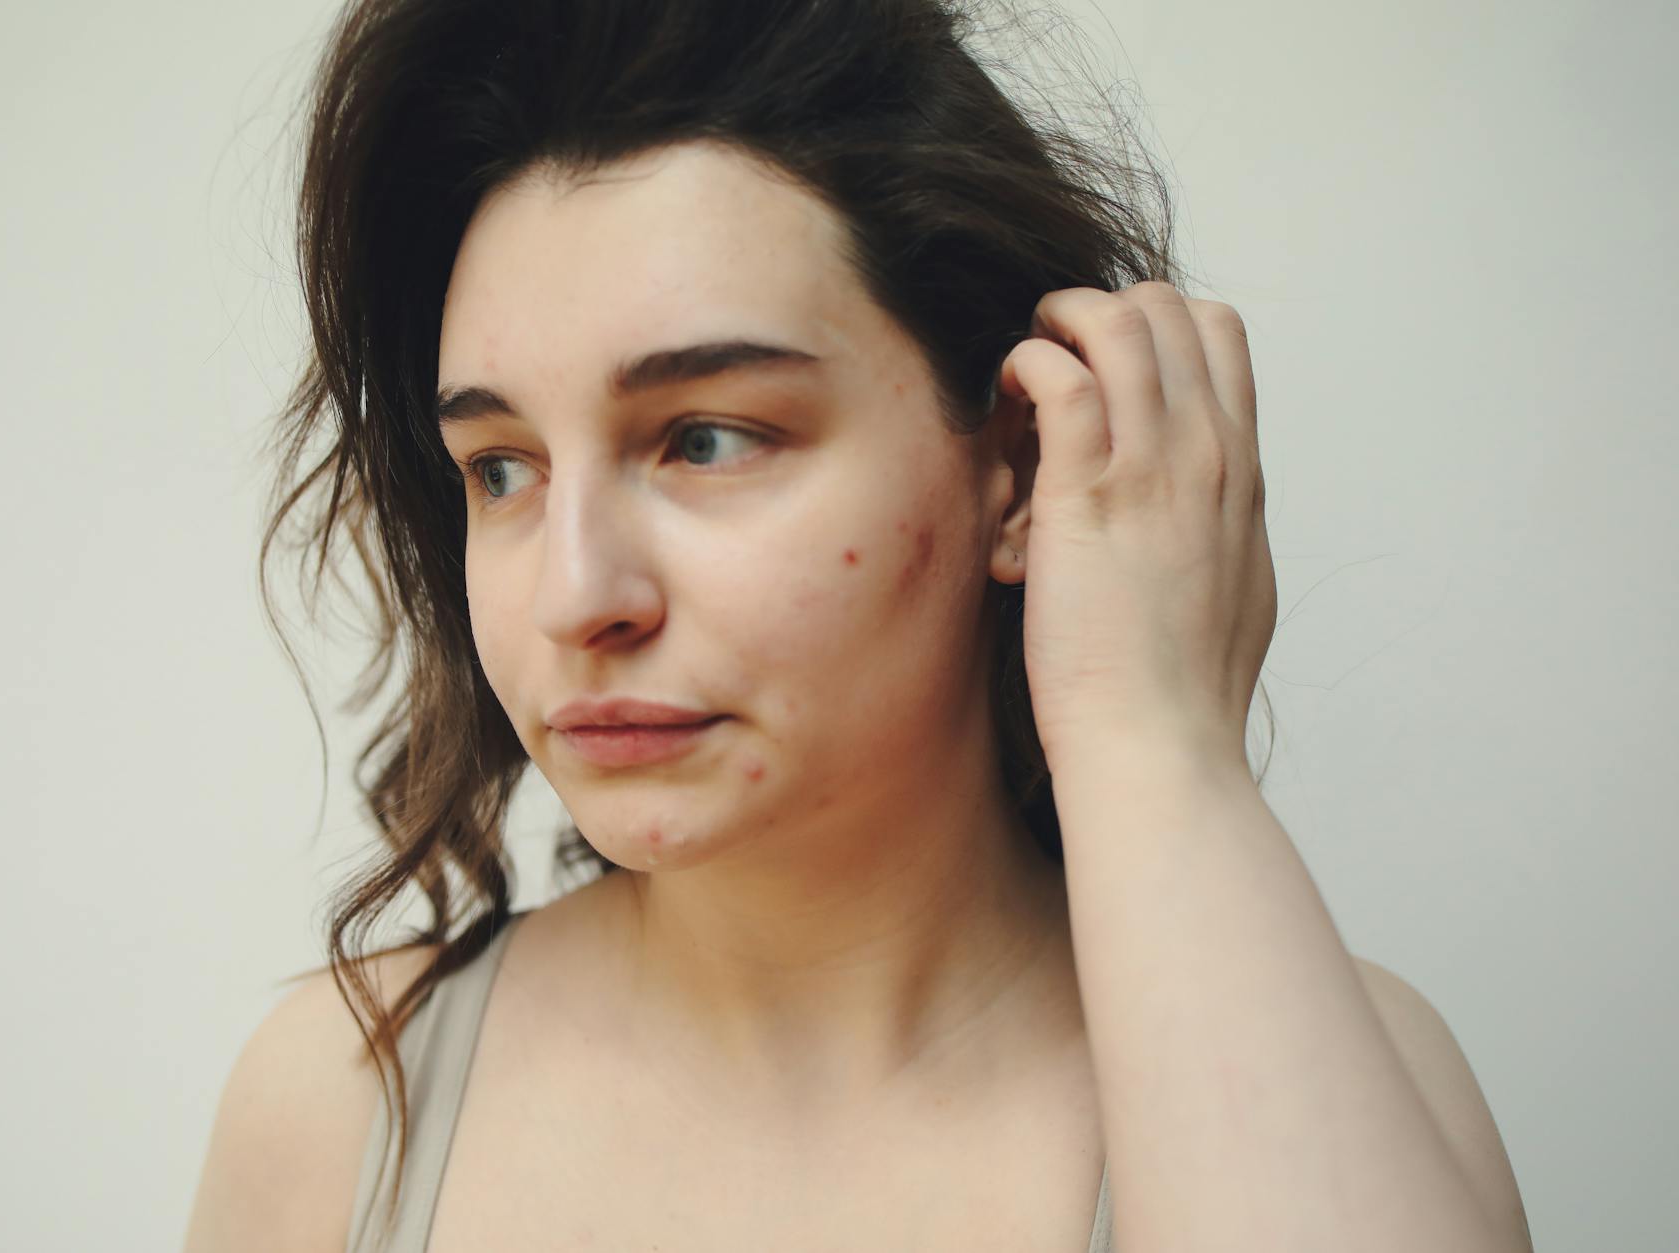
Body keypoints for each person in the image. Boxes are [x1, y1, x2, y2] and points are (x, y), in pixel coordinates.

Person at [182, 2, 1533, 1250]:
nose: (575, 595)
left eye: (704, 438)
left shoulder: (1351, 1075)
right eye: (503, 467)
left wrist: (1156, 740)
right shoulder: (346, 1101)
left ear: (1014, 461)